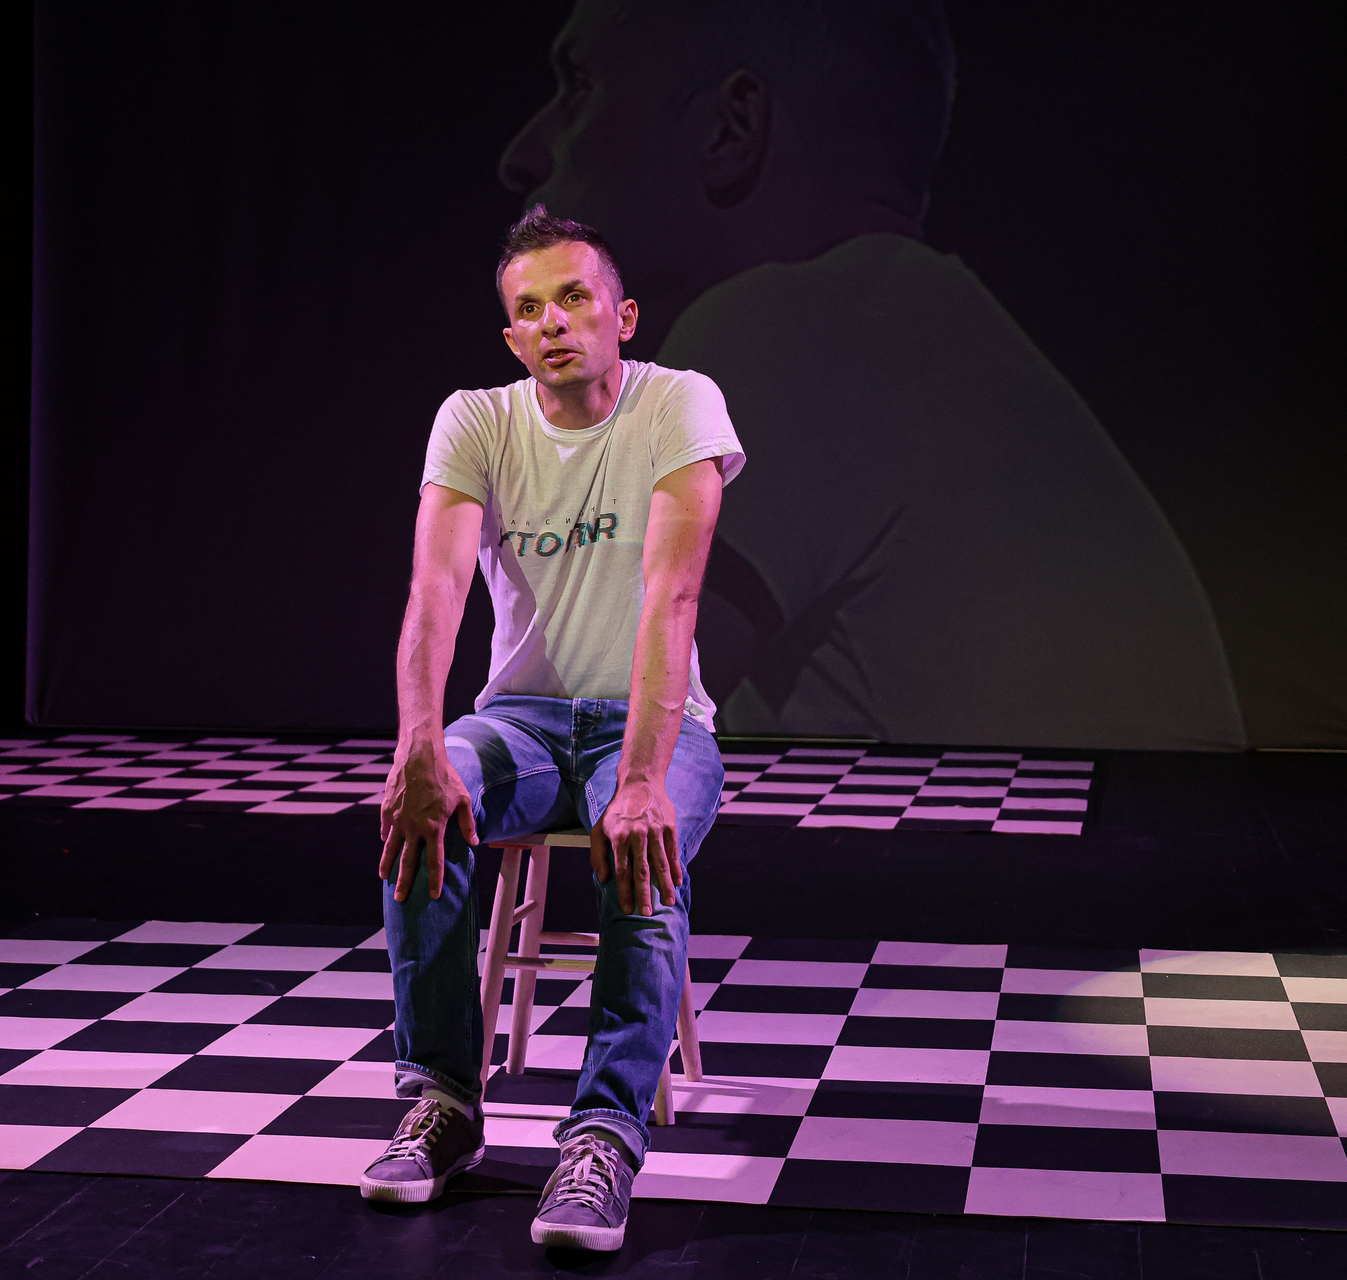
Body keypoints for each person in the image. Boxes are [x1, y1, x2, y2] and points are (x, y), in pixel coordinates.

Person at [496, 0, 1246, 750]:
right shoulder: (913, 333)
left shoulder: (798, 326)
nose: (521, 155)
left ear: (730, 129)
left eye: (580, 85)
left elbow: (578, 745)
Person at [359, 205, 744, 1253]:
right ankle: (443, 1101)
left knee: (642, 849)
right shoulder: (475, 420)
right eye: (530, 309)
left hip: (653, 720)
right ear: (511, 337)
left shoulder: (680, 403)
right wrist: (418, 748)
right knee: (425, 809)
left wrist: (642, 779)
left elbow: (671, 598)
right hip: (521, 718)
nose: (554, 321)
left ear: (623, 315)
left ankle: (603, 1136)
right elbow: (434, 594)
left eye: (575, 297)